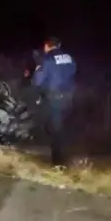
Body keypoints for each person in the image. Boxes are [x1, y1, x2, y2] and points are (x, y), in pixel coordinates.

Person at [32, 36, 77, 166]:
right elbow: (73, 72)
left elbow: (37, 81)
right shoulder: (69, 57)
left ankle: (58, 164)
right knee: (63, 127)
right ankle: (66, 153)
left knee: (54, 129)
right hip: (69, 96)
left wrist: (36, 72)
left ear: (47, 46)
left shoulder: (47, 59)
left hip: (54, 98)